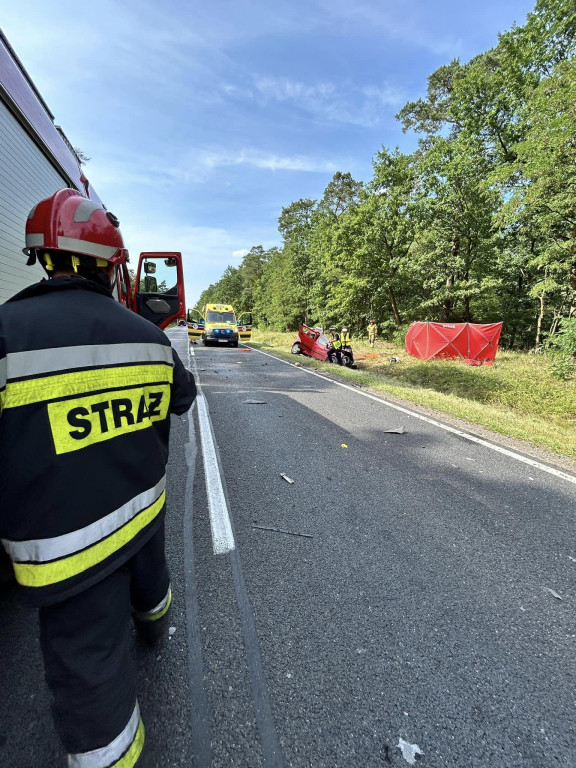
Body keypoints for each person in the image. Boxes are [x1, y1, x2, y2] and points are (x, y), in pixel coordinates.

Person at [0, 189, 196, 768]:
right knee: (150, 572)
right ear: (111, 266)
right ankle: (155, 624)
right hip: (140, 508)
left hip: (64, 547)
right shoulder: (149, 336)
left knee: (89, 666)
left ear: (43, 257)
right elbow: (182, 399)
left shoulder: (7, 332)